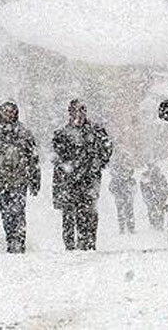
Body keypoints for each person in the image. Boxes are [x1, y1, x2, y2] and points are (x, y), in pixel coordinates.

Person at [52, 99, 113, 251]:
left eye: (81, 111)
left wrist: (97, 163)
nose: (78, 115)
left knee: (88, 212)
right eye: (74, 111)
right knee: (68, 213)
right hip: (68, 180)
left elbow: (107, 148)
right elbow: (57, 156)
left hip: (89, 179)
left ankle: (88, 242)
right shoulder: (62, 134)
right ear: (69, 113)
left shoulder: (96, 131)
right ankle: (70, 245)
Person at [0, 101, 40, 253]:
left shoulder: (24, 132)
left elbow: (33, 157)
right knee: (5, 212)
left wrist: (35, 179)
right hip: (2, 180)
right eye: (5, 110)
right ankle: (10, 239)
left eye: (11, 110)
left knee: (18, 211)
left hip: (20, 180)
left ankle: (19, 241)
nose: (8, 113)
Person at [109, 151, 136, 234]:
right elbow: (111, 187)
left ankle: (126, 227)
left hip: (123, 194)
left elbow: (111, 187)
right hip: (123, 194)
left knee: (126, 211)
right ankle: (127, 227)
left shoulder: (119, 175)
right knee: (126, 211)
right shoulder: (120, 175)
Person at [139, 161, 168, 231]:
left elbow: (165, 186)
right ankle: (157, 224)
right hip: (155, 195)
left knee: (155, 209)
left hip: (156, 195)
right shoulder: (149, 175)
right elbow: (143, 186)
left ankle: (156, 224)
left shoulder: (148, 175)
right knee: (156, 209)